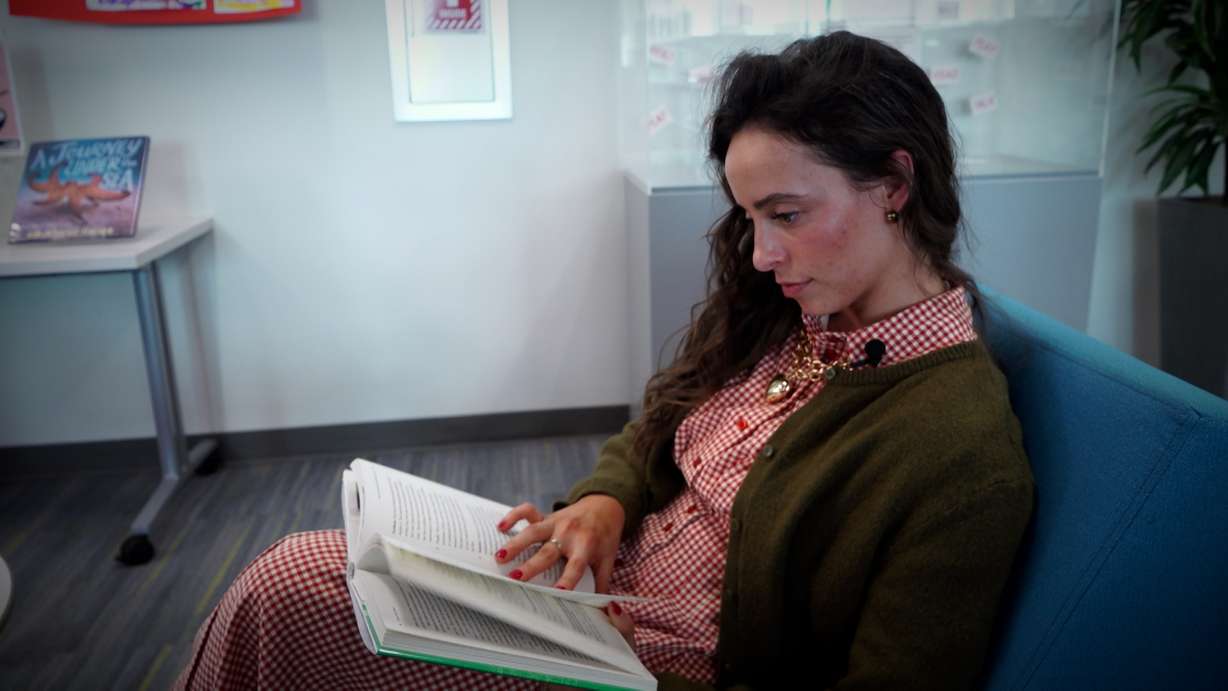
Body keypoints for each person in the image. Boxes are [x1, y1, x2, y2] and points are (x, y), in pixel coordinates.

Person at [176, 31, 1033, 690]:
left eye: (789, 214)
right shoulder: (807, 318)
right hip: (593, 597)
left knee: (293, 593)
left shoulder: (959, 449)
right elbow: (658, 428)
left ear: (894, 185)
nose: (765, 254)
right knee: (308, 573)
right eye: (751, 220)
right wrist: (602, 500)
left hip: (640, 664)